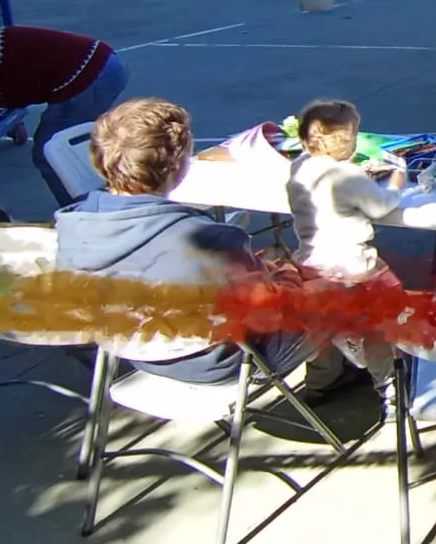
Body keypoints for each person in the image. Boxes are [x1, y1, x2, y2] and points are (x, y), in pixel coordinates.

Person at [55, 98, 345, 390]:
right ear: (177, 164)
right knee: (339, 281)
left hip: (134, 352)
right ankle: (331, 376)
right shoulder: (205, 239)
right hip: (222, 360)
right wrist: (289, 274)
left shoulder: (73, 227)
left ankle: (327, 370)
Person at [0, 26, 130, 215]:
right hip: (100, 64)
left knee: (52, 153)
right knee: (75, 152)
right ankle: (106, 206)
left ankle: (88, 221)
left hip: (91, 73)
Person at [287, 99, 405, 384]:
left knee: (327, 315)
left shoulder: (300, 165)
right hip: (352, 265)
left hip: (312, 261)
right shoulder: (346, 175)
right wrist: (397, 182)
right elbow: (380, 207)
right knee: (383, 320)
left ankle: (325, 375)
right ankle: (388, 383)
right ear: (347, 141)